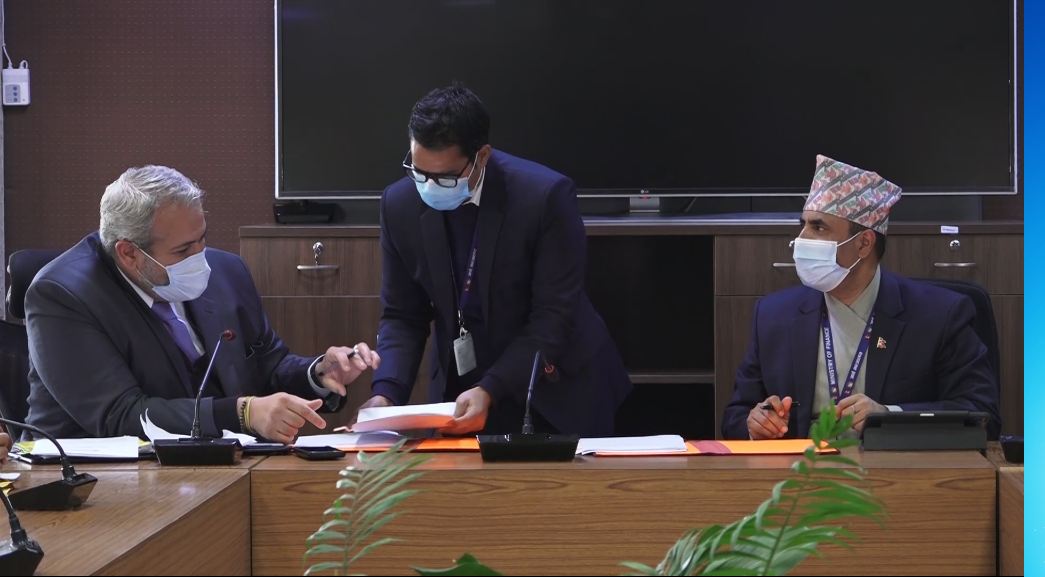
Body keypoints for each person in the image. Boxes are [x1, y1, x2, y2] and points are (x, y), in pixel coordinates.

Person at [24, 165, 379, 443]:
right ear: (129, 253)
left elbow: (268, 366)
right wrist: (242, 413)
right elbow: (121, 416)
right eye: (183, 250)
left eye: (202, 239)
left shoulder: (227, 272)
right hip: (93, 484)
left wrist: (317, 374)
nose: (200, 259)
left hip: (218, 469)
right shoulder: (62, 296)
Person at [361, 84, 631, 436]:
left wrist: (491, 388)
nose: (428, 186)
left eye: (445, 178)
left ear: (482, 156)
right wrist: (386, 394)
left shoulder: (543, 197)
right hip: (463, 393)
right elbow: (402, 315)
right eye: (418, 171)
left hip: (554, 390)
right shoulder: (399, 205)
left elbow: (553, 317)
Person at [722, 155, 999, 440]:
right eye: (802, 225)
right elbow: (734, 418)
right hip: (801, 464)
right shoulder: (773, 315)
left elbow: (982, 416)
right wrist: (755, 424)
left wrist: (889, 417)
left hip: (893, 465)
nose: (801, 239)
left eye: (818, 228)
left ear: (864, 243)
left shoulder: (940, 315)